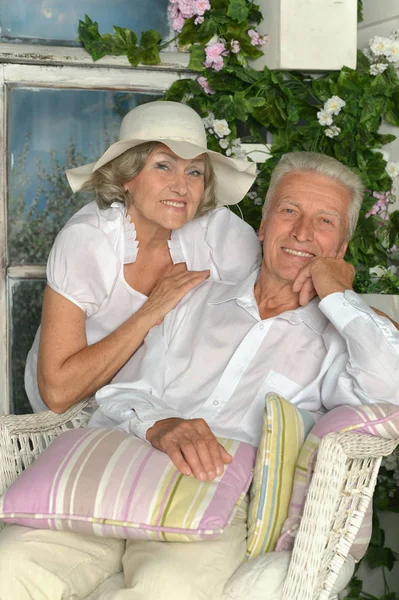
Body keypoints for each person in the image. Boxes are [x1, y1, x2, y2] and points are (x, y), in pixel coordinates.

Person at [3, 152, 398, 600]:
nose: (302, 232)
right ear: (263, 227)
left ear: (342, 247)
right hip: (122, 470)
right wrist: (159, 423)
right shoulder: (192, 297)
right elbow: (120, 393)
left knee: (165, 590)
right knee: (10, 563)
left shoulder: (340, 344)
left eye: (324, 221)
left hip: (212, 503)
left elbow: (392, 386)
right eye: (289, 211)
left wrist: (340, 298)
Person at [24, 100, 261, 414]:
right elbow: (57, 393)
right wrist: (153, 309)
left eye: (194, 172)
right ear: (127, 176)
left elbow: (276, 289)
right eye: (163, 165)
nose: (181, 187)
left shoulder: (218, 234)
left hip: (160, 407)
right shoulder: (89, 241)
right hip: (73, 413)